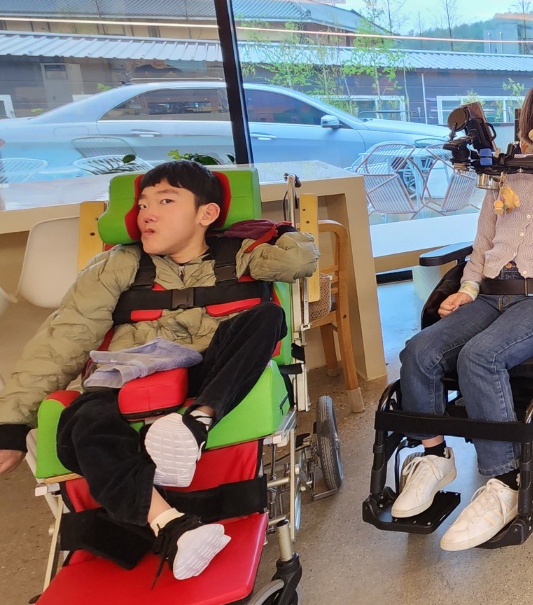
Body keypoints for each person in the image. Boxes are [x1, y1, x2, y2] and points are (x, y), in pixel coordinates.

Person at [0, 161, 317, 580]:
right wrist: (11, 423)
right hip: (130, 376)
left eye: (166, 201)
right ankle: (172, 525)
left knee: (266, 318)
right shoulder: (116, 264)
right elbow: (65, 336)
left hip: (208, 375)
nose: (147, 213)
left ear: (207, 213)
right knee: (82, 419)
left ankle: (194, 426)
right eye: (143, 204)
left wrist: (274, 233)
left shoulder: (241, 253)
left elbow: (297, 262)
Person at [391, 77, 533, 550]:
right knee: (418, 351)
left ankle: (504, 481)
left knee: (480, 356)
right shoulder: (505, 176)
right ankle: (434, 456)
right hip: (488, 293)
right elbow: (483, 243)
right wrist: (466, 289)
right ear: (531, 123)